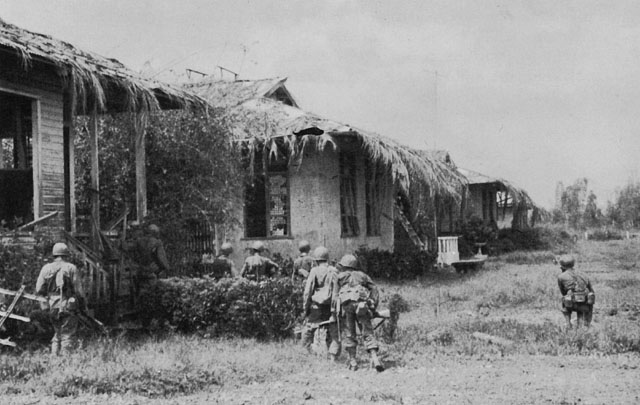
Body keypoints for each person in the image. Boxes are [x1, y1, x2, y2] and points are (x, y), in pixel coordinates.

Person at [35, 242, 87, 355]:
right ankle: (65, 360)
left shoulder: (46, 268)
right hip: (68, 305)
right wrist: (83, 305)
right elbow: (79, 291)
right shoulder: (71, 268)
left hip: (52, 305)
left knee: (57, 333)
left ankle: (54, 358)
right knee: (67, 334)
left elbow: (39, 289)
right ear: (66, 254)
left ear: (54, 254)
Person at [336, 254, 384, 372]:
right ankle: (374, 358)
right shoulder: (362, 276)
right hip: (361, 305)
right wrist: (373, 305)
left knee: (349, 332)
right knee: (367, 330)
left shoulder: (340, 277)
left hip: (347, 306)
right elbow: (374, 288)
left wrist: (335, 311)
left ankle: (353, 362)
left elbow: (335, 295)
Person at [301, 246, 341, 361]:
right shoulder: (334, 271)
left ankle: (305, 353)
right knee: (333, 332)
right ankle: (333, 356)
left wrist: (306, 307)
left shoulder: (314, 271)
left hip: (316, 306)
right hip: (330, 307)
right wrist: (334, 309)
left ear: (316, 260)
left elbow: (307, 291)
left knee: (309, 329)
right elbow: (336, 292)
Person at [124, 223, 171, 300]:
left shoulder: (139, 241)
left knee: (141, 293)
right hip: (153, 271)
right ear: (155, 232)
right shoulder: (157, 242)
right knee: (154, 294)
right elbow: (161, 258)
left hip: (141, 270)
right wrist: (167, 268)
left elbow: (130, 251)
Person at [557, 254, 595, 329]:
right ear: (573, 264)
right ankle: (586, 322)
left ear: (562, 266)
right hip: (585, 304)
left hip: (570, 304)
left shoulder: (561, 276)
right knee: (590, 296)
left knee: (565, 298)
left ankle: (568, 323)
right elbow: (591, 289)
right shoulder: (584, 274)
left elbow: (563, 292)